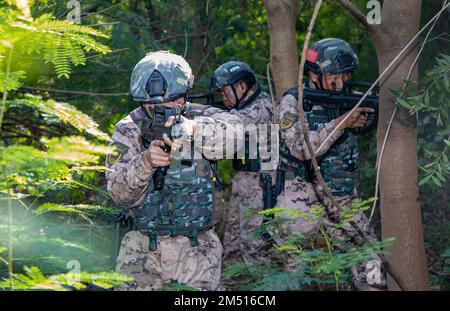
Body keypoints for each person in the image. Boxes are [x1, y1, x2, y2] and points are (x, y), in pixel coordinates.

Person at [106, 51, 243, 291]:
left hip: (197, 249)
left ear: (183, 96)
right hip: (142, 250)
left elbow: (238, 136)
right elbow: (119, 195)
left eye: (171, 101)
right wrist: (146, 162)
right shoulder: (128, 129)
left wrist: (193, 130)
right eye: (152, 104)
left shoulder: (202, 116)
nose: (161, 109)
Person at [275, 38, 386, 290]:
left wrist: (366, 119)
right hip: (299, 202)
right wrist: (343, 123)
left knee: (372, 267)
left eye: (346, 75)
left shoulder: (351, 97)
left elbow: (371, 119)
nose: (341, 82)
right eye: (334, 75)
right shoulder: (294, 102)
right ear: (314, 75)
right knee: (293, 278)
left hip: (342, 201)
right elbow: (302, 148)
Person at [208, 61, 275, 267]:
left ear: (242, 86)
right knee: (232, 248)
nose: (223, 98)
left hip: (261, 184)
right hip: (242, 181)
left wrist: (200, 114)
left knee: (254, 249)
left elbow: (234, 123)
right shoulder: (241, 108)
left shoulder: (262, 106)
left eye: (225, 92)